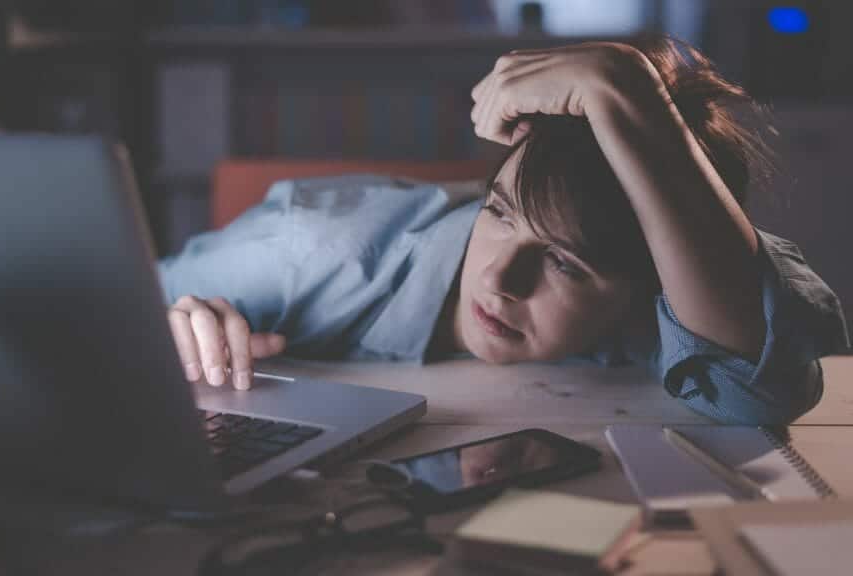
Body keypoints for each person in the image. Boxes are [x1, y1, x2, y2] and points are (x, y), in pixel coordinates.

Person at [158, 36, 849, 426]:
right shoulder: (313, 248)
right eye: (497, 212)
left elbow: (759, 393)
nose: (496, 277)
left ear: (649, 280)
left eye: (566, 265)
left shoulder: (665, 304)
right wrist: (169, 325)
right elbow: (88, 308)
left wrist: (625, 91)